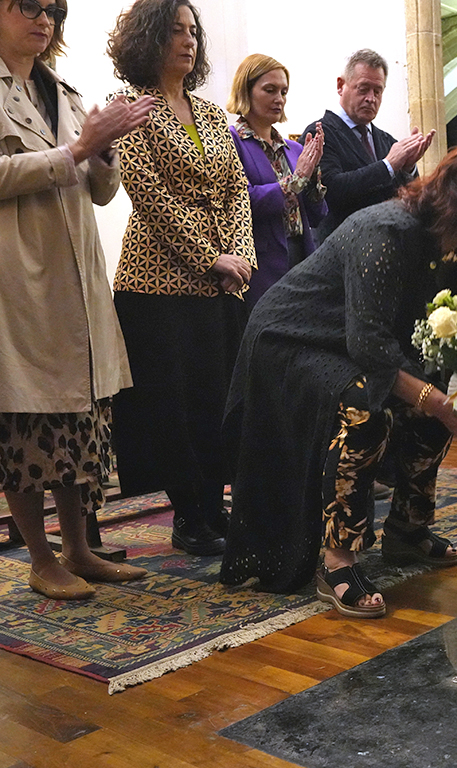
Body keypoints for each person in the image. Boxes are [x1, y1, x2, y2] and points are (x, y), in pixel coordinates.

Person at [220, 145, 457, 617]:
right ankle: (338, 559)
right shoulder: (384, 230)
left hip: (347, 339)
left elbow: (456, 331)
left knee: (438, 397)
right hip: (290, 339)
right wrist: (441, 403)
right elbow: (371, 347)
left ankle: (407, 529)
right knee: (366, 406)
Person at [1, 0, 152, 598]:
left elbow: (102, 192)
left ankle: (79, 550)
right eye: (29, 6)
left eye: (54, 10)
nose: (45, 19)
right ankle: (41, 561)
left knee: (78, 423)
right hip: (22, 280)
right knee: (28, 425)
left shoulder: (62, 92)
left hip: (78, 279)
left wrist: (106, 150)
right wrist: (76, 151)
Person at [106, 0, 256, 555]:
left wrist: (239, 254)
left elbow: (237, 190)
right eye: (176, 30)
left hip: (220, 284)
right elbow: (150, 197)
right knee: (172, 407)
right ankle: (188, 514)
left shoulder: (211, 113)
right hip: (155, 286)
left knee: (215, 400)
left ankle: (214, 506)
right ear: (149, 38)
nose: (189, 40)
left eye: (193, 31)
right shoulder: (129, 109)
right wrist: (211, 257)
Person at [227, 53, 327, 306]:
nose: (279, 99)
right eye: (270, 90)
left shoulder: (294, 149)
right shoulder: (230, 141)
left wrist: (312, 175)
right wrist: (296, 180)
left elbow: (316, 216)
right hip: (260, 264)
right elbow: (241, 201)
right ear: (246, 91)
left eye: (284, 92)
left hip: (301, 255)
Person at [305, 48, 435, 242]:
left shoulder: (385, 140)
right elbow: (331, 190)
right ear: (341, 86)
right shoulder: (319, 133)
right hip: (341, 247)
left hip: (385, 246)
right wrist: (388, 165)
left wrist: (408, 169)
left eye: (377, 91)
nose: (371, 98)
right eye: (363, 89)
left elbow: (406, 199)